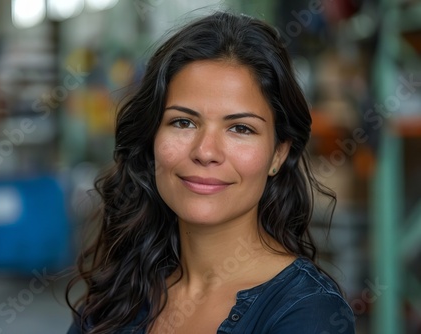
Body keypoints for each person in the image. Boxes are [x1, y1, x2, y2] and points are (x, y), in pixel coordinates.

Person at [65, 11, 356, 334]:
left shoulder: (307, 311)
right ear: (151, 139)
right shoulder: (117, 297)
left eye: (240, 129)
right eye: (183, 122)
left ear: (278, 153)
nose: (205, 152)